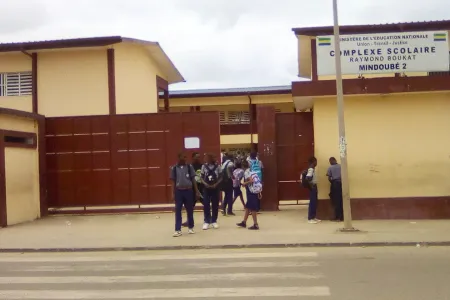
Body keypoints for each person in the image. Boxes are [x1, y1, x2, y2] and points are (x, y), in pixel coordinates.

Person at [170, 152, 200, 237]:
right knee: (178, 210)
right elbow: (173, 182)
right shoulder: (174, 168)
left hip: (188, 191)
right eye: (183, 157)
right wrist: (172, 193)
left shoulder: (189, 167)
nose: (185, 159)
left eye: (186, 157)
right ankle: (177, 230)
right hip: (179, 191)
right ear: (179, 158)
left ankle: (191, 227)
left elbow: (193, 180)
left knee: (190, 210)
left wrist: (197, 191)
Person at [236, 160, 262, 230]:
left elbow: (251, 181)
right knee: (248, 207)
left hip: (251, 192)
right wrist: (259, 192)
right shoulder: (252, 171)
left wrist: (244, 183)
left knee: (253, 208)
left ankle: (255, 224)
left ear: (242, 167)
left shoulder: (246, 172)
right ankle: (244, 222)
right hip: (255, 191)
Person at [201, 153, 222, 230]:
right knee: (206, 204)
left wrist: (216, 184)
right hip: (206, 188)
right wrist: (205, 184)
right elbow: (201, 177)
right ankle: (206, 221)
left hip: (215, 188)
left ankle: (214, 221)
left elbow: (221, 177)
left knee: (215, 204)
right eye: (213, 157)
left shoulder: (218, 167)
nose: (215, 159)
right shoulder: (204, 166)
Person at [182, 152, 203, 228]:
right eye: (196, 157)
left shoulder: (202, 166)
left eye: (199, 157)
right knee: (190, 206)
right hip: (192, 189)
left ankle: (208, 220)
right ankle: (189, 221)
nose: (198, 158)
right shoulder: (189, 167)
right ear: (193, 157)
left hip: (201, 188)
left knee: (206, 204)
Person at [327, 157, 343, 222]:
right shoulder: (341, 166)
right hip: (341, 184)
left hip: (334, 184)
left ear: (331, 161)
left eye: (330, 161)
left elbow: (329, 177)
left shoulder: (330, 167)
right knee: (340, 200)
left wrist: (332, 182)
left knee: (335, 201)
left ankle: (337, 217)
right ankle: (341, 217)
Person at [306, 156, 321, 224]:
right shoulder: (311, 169)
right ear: (313, 162)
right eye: (316, 161)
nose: (316, 163)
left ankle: (313, 217)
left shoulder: (313, 169)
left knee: (315, 202)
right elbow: (308, 178)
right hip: (313, 187)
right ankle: (310, 218)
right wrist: (311, 185)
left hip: (314, 186)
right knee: (312, 202)